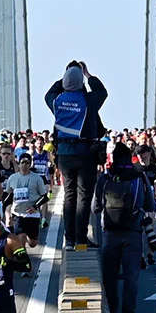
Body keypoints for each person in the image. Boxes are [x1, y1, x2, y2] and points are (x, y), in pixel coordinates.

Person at [46, 61, 109, 247]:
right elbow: (102, 92)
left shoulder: (57, 101)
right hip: (85, 154)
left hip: (64, 155)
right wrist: (88, 75)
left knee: (69, 195)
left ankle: (69, 239)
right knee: (84, 196)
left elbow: (48, 94)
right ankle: (81, 237)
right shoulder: (88, 101)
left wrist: (65, 76)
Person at [98, 145, 156, 313]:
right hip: (133, 233)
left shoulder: (107, 177)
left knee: (110, 277)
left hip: (110, 233)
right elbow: (150, 205)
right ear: (130, 157)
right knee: (131, 277)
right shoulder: (140, 176)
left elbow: (94, 208)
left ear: (113, 158)